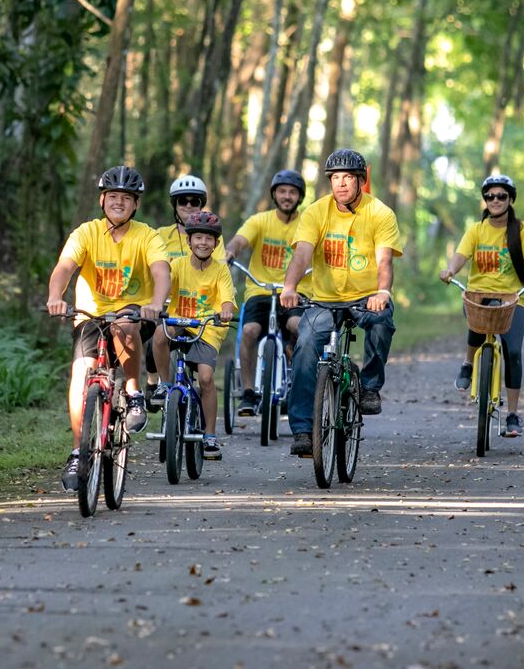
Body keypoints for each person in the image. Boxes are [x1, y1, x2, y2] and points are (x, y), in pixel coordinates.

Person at [46, 166, 170, 491]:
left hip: (132, 313)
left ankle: (132, 392)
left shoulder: (148, 236)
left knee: (125, 327)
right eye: (113, 196)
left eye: (126, 198)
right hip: (90, 315)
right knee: (81, 374)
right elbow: (64, 267)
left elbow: (161, 272)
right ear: (102, 200)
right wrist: (55, 297)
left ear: (135, 205)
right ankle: (77, 452)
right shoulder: (85, 233)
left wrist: (156, 302)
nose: (119, 202)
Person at [279, 149, 402, 458]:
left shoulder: (381, 213)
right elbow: (303, 253)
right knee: (306, 347)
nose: (342, 184)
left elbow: (384, 260)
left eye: (348, 177)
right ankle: (303, 430)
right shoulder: (316, 212)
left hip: (365, 298)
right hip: (323, 298)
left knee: (382, 320)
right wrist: (290, 286)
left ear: (361, 180)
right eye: (335, 178)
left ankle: (370, 386)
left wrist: (382, 292)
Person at [439, 174, 524, 438]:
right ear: (485, 200)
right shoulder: (476, 230)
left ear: (510, 200)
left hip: (512, 299)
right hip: (478, 294)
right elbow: (461, 256)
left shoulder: (521, 230)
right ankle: (468, 363)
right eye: (490, 196)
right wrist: (450, 271)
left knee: (514, 353)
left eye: (501, 196)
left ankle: (512, 414)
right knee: (478, 315)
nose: (495, 200)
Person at [223, 169, 311, 416]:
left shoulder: (307, 222)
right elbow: (240, 240)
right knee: (250, 331)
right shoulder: (260, 220)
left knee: (297, 326)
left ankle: (296, 371)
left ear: (299, 197)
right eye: (282, 191)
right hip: (260, 290)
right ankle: (249, 393)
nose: (286, 196)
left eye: (292, 192)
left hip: (296, 291)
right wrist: (230, 252)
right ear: (274, 194)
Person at [152, 211, 237, 460]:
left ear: (216, 243)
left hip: (208, 328)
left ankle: (210, 435)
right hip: (179, 321)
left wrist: (225, 310)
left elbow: (227, 300)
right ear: (188, 242)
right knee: (159, 334)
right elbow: (165, 283)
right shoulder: (177, 265)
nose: (202, 242)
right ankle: (164, 385)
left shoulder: (221, 271)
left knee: (207, 378)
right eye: (197, 237)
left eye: (208, 238)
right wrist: (157, 303)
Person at [146, 174, 226, 401]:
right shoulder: (160, 236)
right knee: (153, 341)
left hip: (199, 307)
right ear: (175, 205)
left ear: (202, 204)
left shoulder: (209, 238)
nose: (189, 206)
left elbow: (217, 270)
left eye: (195, 201)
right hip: (167, 304)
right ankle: (155, 382)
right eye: (183, 201)